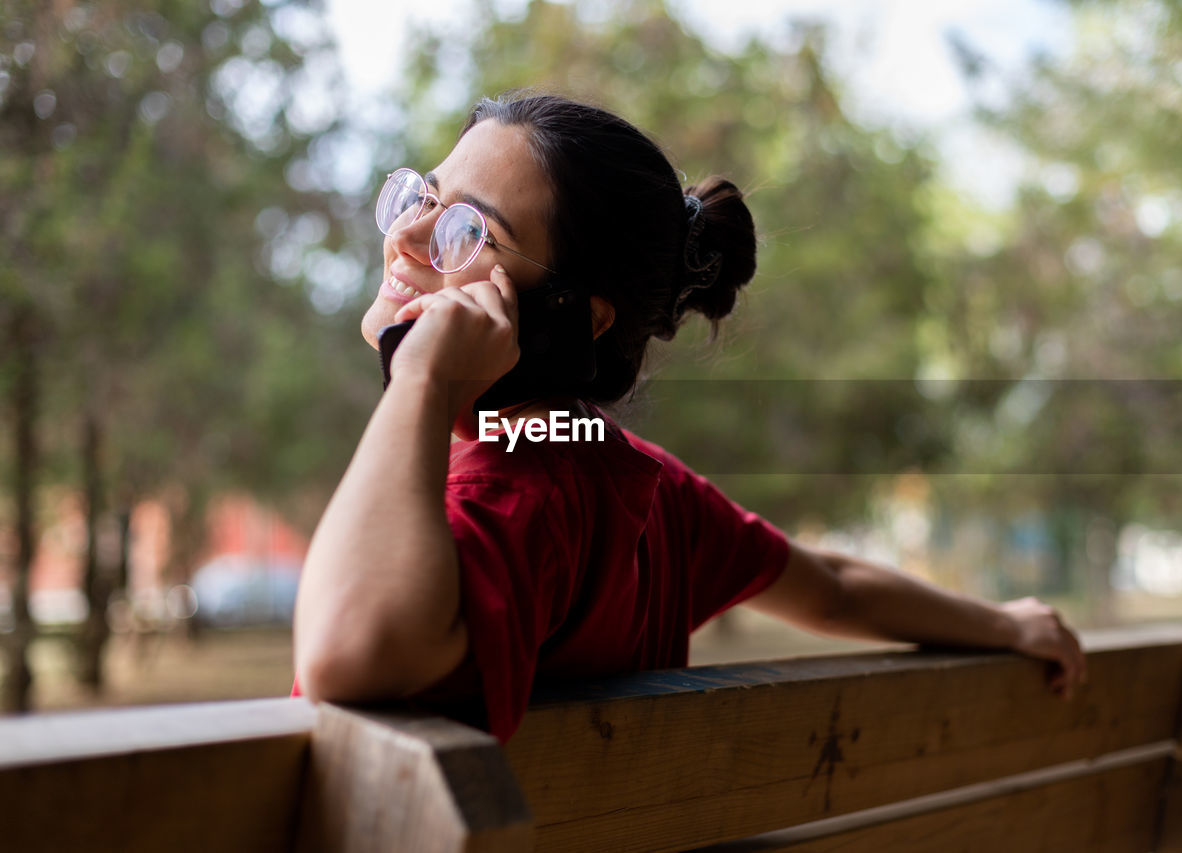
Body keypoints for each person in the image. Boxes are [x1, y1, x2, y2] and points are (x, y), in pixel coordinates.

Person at [291, 92, 1088, 744]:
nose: (406, 237)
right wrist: (1006, 623)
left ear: (578, 314)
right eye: (423, 195)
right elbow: (834, 588)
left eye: (471, 232)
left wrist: (423, 382)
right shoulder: (634, 483)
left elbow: (344, 649)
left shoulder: (512, 498)